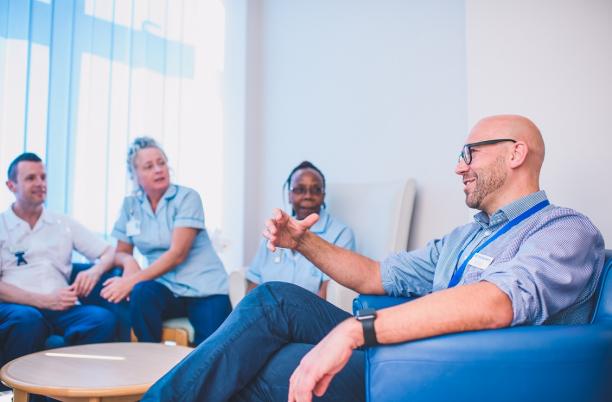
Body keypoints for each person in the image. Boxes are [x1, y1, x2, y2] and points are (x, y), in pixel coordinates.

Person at [142, 115, 605, 402]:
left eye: (470, 154)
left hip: (447, 372)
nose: (459, 166)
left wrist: (355, 329)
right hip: (405, 351)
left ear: (516, 152)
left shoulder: (564, 229)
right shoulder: (464, 237)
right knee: (273, 299)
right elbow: (375, 275)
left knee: (271, 369)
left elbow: (495, 302)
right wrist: (303, 242)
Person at [0, 153, 118, 386]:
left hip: (62, 306)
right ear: (11, 185)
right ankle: (12, 394)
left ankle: (73, 391)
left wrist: (94, 271)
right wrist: (43, 300)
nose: (40, 183)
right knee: (28, 320)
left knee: (101, 320)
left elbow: (109, 252)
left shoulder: (63, 223)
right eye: (31, 178)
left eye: (43, 177)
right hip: (17, 306)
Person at [102, 137, 232, 346]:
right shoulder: (131, 205)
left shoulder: (187, 198)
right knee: (141, 293)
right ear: (134, 175)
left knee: (210, 353)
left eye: (161, 163)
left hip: (205, 290)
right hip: (167, 290)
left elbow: (177, 254)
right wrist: (130, 264)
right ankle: (149, 361)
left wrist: (130, 280)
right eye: (149, 166)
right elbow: (121, 251)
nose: (158, 169)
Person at [246, 161, 355, 298]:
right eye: (299, 189)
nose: (308, 196)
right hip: (264, 313)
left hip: (305, 316)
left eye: (316, 190)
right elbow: (254, 282)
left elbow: (327, 296)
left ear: (323, 196)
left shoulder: (341, 234)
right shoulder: (274, 230)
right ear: (289, 196)